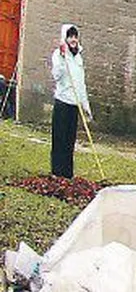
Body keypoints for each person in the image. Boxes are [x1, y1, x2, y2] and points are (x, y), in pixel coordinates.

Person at [49, 23, 91, 178]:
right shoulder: (58, 55)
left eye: (75, 36)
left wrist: (85, 106)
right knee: (59, 139)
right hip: (62, 103)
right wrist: (61, 57)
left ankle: (67, 174)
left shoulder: (78, 57)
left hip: (75, 105)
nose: (73, 39)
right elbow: (57, 76)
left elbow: (81, 84)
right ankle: (57, 173)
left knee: (69, 141)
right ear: (65, 38)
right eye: (70, 36)